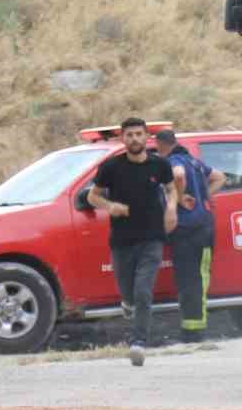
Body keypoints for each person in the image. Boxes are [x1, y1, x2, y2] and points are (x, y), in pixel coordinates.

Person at [87, 118, 176, 365]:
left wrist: (171, 209)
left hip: (152, 237)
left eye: (139, 134)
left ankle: (138, 343)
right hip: (122, 240)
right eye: (130, 135)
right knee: (128, 292)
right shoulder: (111, 168)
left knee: (143, 292)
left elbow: (171, 189)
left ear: (147, 137)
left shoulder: (160, 165)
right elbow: (93, 197)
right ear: (123, 139)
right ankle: (126, 303)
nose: (134, 139)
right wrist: (110, 206)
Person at [153, 129, 225, 342]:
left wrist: (179, 196)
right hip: (200, 227)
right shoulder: (194, 161)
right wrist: (204, 196)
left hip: (190, 229)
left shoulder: (173, 161)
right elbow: (220, 177)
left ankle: (194, 330)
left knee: (192, 280)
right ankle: (191, 327)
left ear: (161, 144)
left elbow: (178, 175)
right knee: (193, 278)